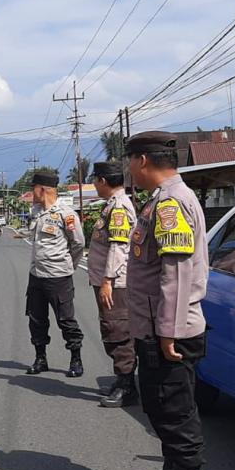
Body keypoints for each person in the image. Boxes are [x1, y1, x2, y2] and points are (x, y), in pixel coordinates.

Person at [124, 131, 209, 470]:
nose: (129, 169)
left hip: (168, 332)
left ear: (142, 160)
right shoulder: (162, 201)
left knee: (176, 412)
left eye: (129, 161)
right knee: (159, 406)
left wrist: (168, 331)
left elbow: (175, 273)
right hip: (157, 327)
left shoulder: (172, 204)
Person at [25, 170, 86, 377]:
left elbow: (78, 244)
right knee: (36, 318)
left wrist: (68, 265)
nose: (31, 193)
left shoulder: (66, 214)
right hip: (36, 275)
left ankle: (75, 359)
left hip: (58, 276)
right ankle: (40, 358)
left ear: (42, 190)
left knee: (65, 319)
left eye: (33, 188)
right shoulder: (36, 212)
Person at [87, 162, 138, 408]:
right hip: (108, 281)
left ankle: (127, 386)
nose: (95, 185)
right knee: (111, 328)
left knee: (117, 330)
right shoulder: (111, 205)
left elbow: (119, 247)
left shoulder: (118, 207)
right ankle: (121, 379)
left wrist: (108, 280)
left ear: (103, 181)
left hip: (115, 284)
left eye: (95, 180)